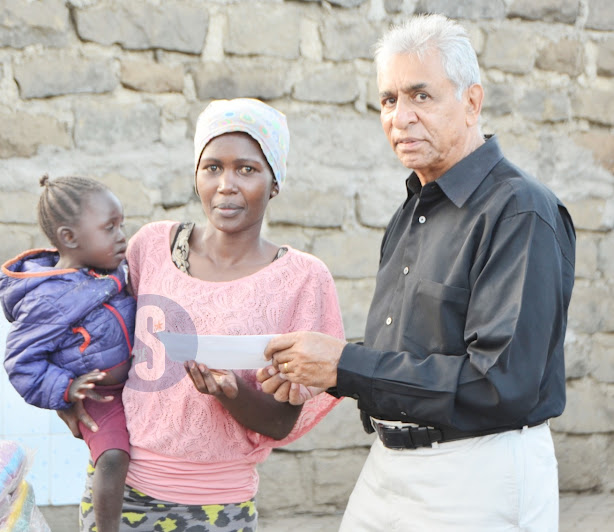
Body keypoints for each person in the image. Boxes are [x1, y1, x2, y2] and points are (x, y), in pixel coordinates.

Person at [260, 14, 576, 531]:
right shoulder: (411, 210)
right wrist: (318, 371)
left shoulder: (520, 211)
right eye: (388, 100)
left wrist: (345, 367)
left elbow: (499, 384)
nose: (400, 117)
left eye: (420, 96)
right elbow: (412, 354)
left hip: (479, 470)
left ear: (472, 102)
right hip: (388, 465)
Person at [58, 98, 344, 531]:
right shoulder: (151, 247)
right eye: (212, 167)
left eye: (246, 169)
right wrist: (62, 393)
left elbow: (282, 421)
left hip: (218, 509)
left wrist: (231, 393)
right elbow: (95, 332)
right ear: (196, 176)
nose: (226, 184)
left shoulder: (302, 280)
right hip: (119, 497)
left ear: (275, 181)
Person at [0, 175, 136, 532]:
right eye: (109, 228)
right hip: (100, 397)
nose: (122, 236)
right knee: (113, 456)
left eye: (122, 225)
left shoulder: (110, 270)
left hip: (137, 385)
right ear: (69, 238)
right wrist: (66, 389)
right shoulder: (49, 297)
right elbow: (20, 362)